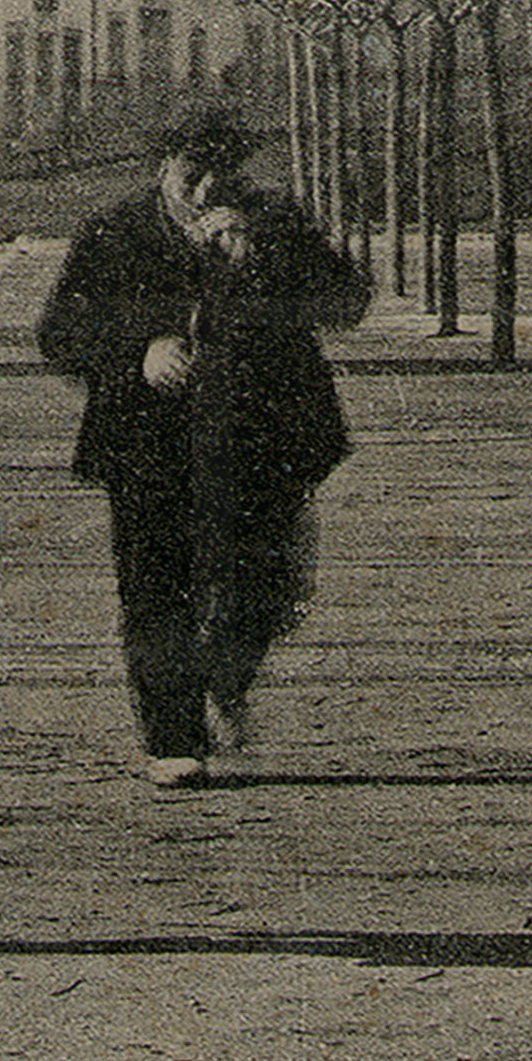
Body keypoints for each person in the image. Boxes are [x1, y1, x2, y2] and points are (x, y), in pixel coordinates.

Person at [33, 108, 371, 788]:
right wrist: (139, 350)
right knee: (155, 588)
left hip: (263, 437)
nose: (209, 185)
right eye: (194, 169)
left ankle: (225, 672)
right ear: (163, 165)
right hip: (148, 442)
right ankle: (173, 738)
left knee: (260, 585)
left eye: (224, 170)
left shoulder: (276, 221)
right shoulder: (114, 231)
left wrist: (265, 258)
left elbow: (347, 300)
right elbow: (60, 331)